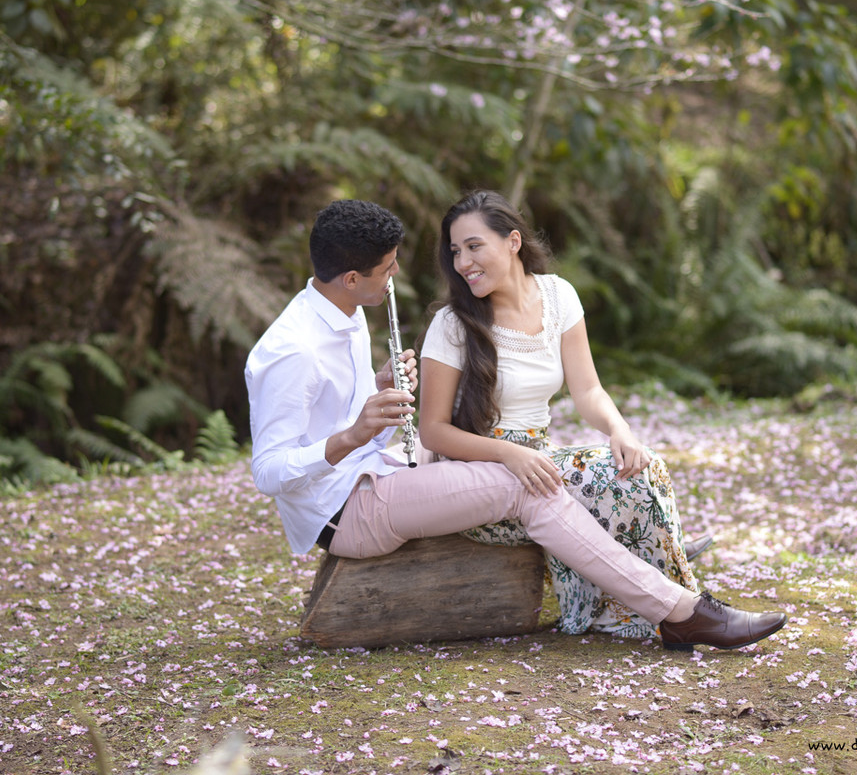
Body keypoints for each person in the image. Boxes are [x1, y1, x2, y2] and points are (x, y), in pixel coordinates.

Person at [245, 197, 787, 652]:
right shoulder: (291, 350)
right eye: (387, 270)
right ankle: (679, 609)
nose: (394, 279)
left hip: (383, 472)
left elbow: (346, 408)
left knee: (554, 477)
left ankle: (661, 593)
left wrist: (378, 388)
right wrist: (354, 434)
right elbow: (269, 473)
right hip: (345, 511)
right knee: (525, 482)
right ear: (352, 276)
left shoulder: (346, 310)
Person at [418, 189, 729, 638]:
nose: (463, 262)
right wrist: (509, 455)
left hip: (539, 464)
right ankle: (686, 604)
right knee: (618, 480)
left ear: (513, 241)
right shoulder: (451, 324)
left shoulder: (558, 296)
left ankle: (670, 588)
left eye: (473, 246)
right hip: (479, 477)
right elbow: (433, 431)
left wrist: (619, 429)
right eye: (455, 251)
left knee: (638, 466)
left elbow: (587, 390)